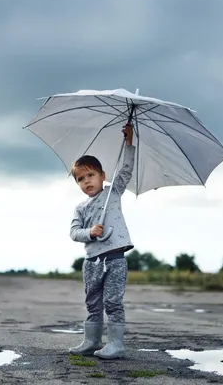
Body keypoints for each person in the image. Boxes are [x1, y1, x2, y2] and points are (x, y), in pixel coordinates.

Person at [69, 124, 135, 359]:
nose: (87, 181)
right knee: (92, 302)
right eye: (80, 179)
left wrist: (129, 142)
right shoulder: (80, 207)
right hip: (92, 262)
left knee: (113, 301)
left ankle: (116, 344)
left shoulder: (113, 192)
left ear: (102, 176)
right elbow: (74, 232)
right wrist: (89, 232)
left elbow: (126, 170)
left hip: (115, 259)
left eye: (91, 175)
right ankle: (91, 340)